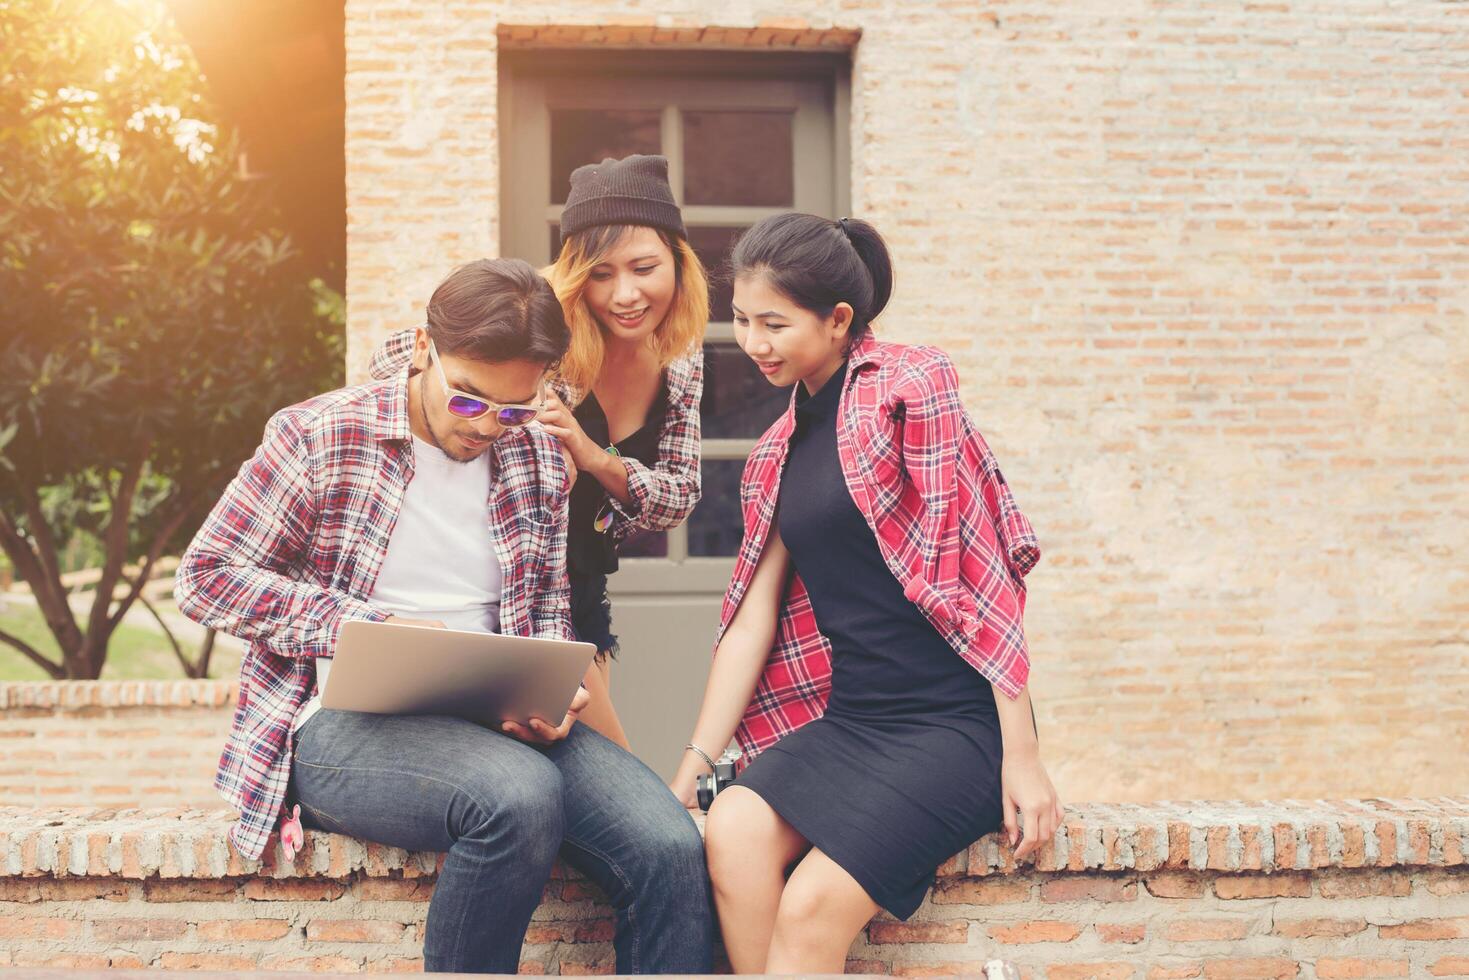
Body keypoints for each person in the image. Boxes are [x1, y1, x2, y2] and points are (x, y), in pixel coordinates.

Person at [176, 258, 712, 975]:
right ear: (425, 347)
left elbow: (547, 610)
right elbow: (206, 577)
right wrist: (358, 626)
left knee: (669, 845)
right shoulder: (320, 433)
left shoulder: (540, 458)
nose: (489, 425)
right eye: (467, 400)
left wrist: (550, 695)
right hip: (338, 720)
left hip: (495, 718)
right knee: (515, 797)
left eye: (515, 407)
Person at [668, 214, 1063, 974]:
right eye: (743, 321)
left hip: (954, 724)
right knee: (733, 830)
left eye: (774, 324)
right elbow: (751, 619)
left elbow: (977, 571)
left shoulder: (909, 388)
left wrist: (1023, 754)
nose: (753, 343)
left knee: (811, 909)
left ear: (838, 319)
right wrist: (691, 767)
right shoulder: (779, 449)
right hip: (855, 717)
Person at [370, 154, 708, 747]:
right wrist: (504, 408)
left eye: (645, 267)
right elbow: (399, 360)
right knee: (618, 771)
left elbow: (677, 498)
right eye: (600, 273)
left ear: (679, 264)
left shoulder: (682, 363)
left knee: (574, 764)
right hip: (511, 575)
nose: (625, 293)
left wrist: (593, 458)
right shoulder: (541, 332)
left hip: (581, 587)